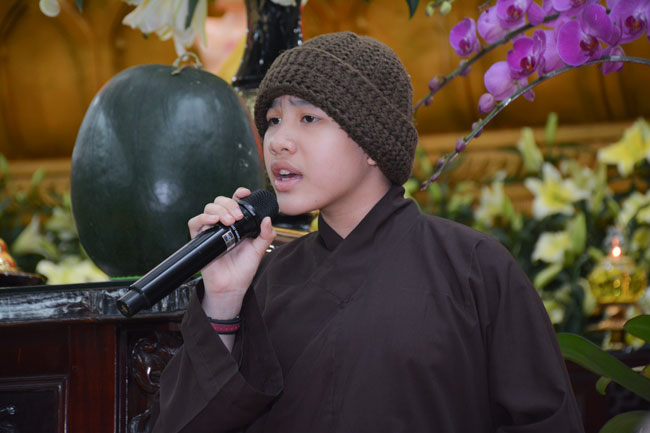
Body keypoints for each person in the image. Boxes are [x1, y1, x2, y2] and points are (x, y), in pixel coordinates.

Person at [150, 31, 584, 433]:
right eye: (273, 119)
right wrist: (223, 303)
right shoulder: (263, 282)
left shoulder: (473, 269)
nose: (278, 140)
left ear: (372, 143)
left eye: (308, 118)